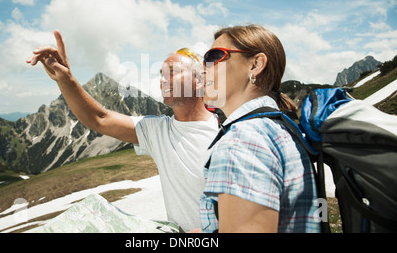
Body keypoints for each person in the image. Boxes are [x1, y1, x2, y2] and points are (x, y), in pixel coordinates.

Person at [26, 30, 219, 232]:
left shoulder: (226, 131)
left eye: (172, 71)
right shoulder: (157, 131)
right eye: (161, 74)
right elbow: (99, 119)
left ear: (200, 79)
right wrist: (66, 80)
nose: (162, 80)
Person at [199, 24, 321, 233]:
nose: (203, 68)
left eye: (214, 56)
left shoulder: (243, 140)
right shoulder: (278, 126)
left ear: (255, 65)